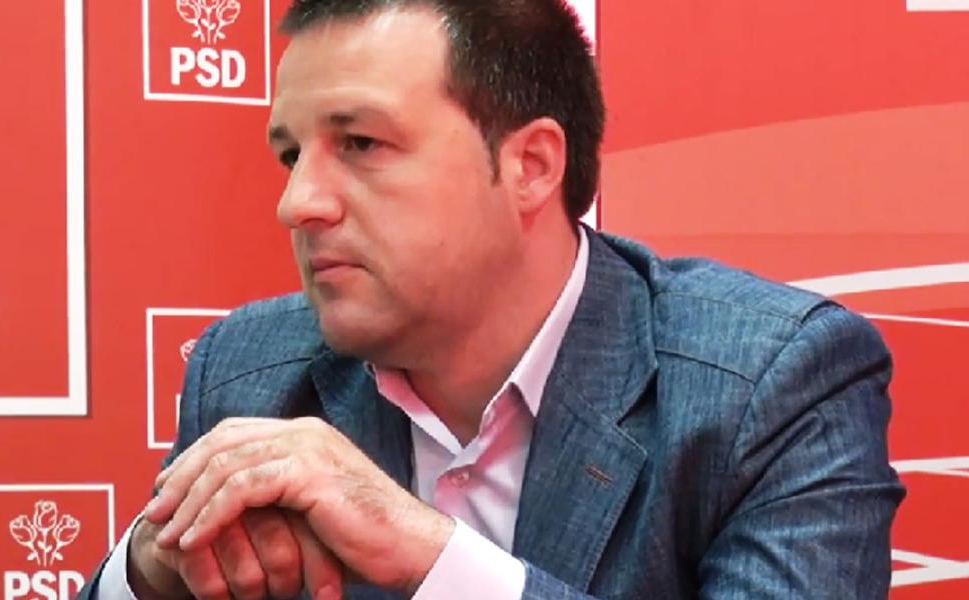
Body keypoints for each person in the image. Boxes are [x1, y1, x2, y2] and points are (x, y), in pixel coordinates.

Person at [80, 1, 904, 598]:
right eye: (291, 155)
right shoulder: (247, 370)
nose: (298, 203)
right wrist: (150, 575)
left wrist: (431, 557)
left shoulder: (769, 381)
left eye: (360, 142)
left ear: (531, 166)